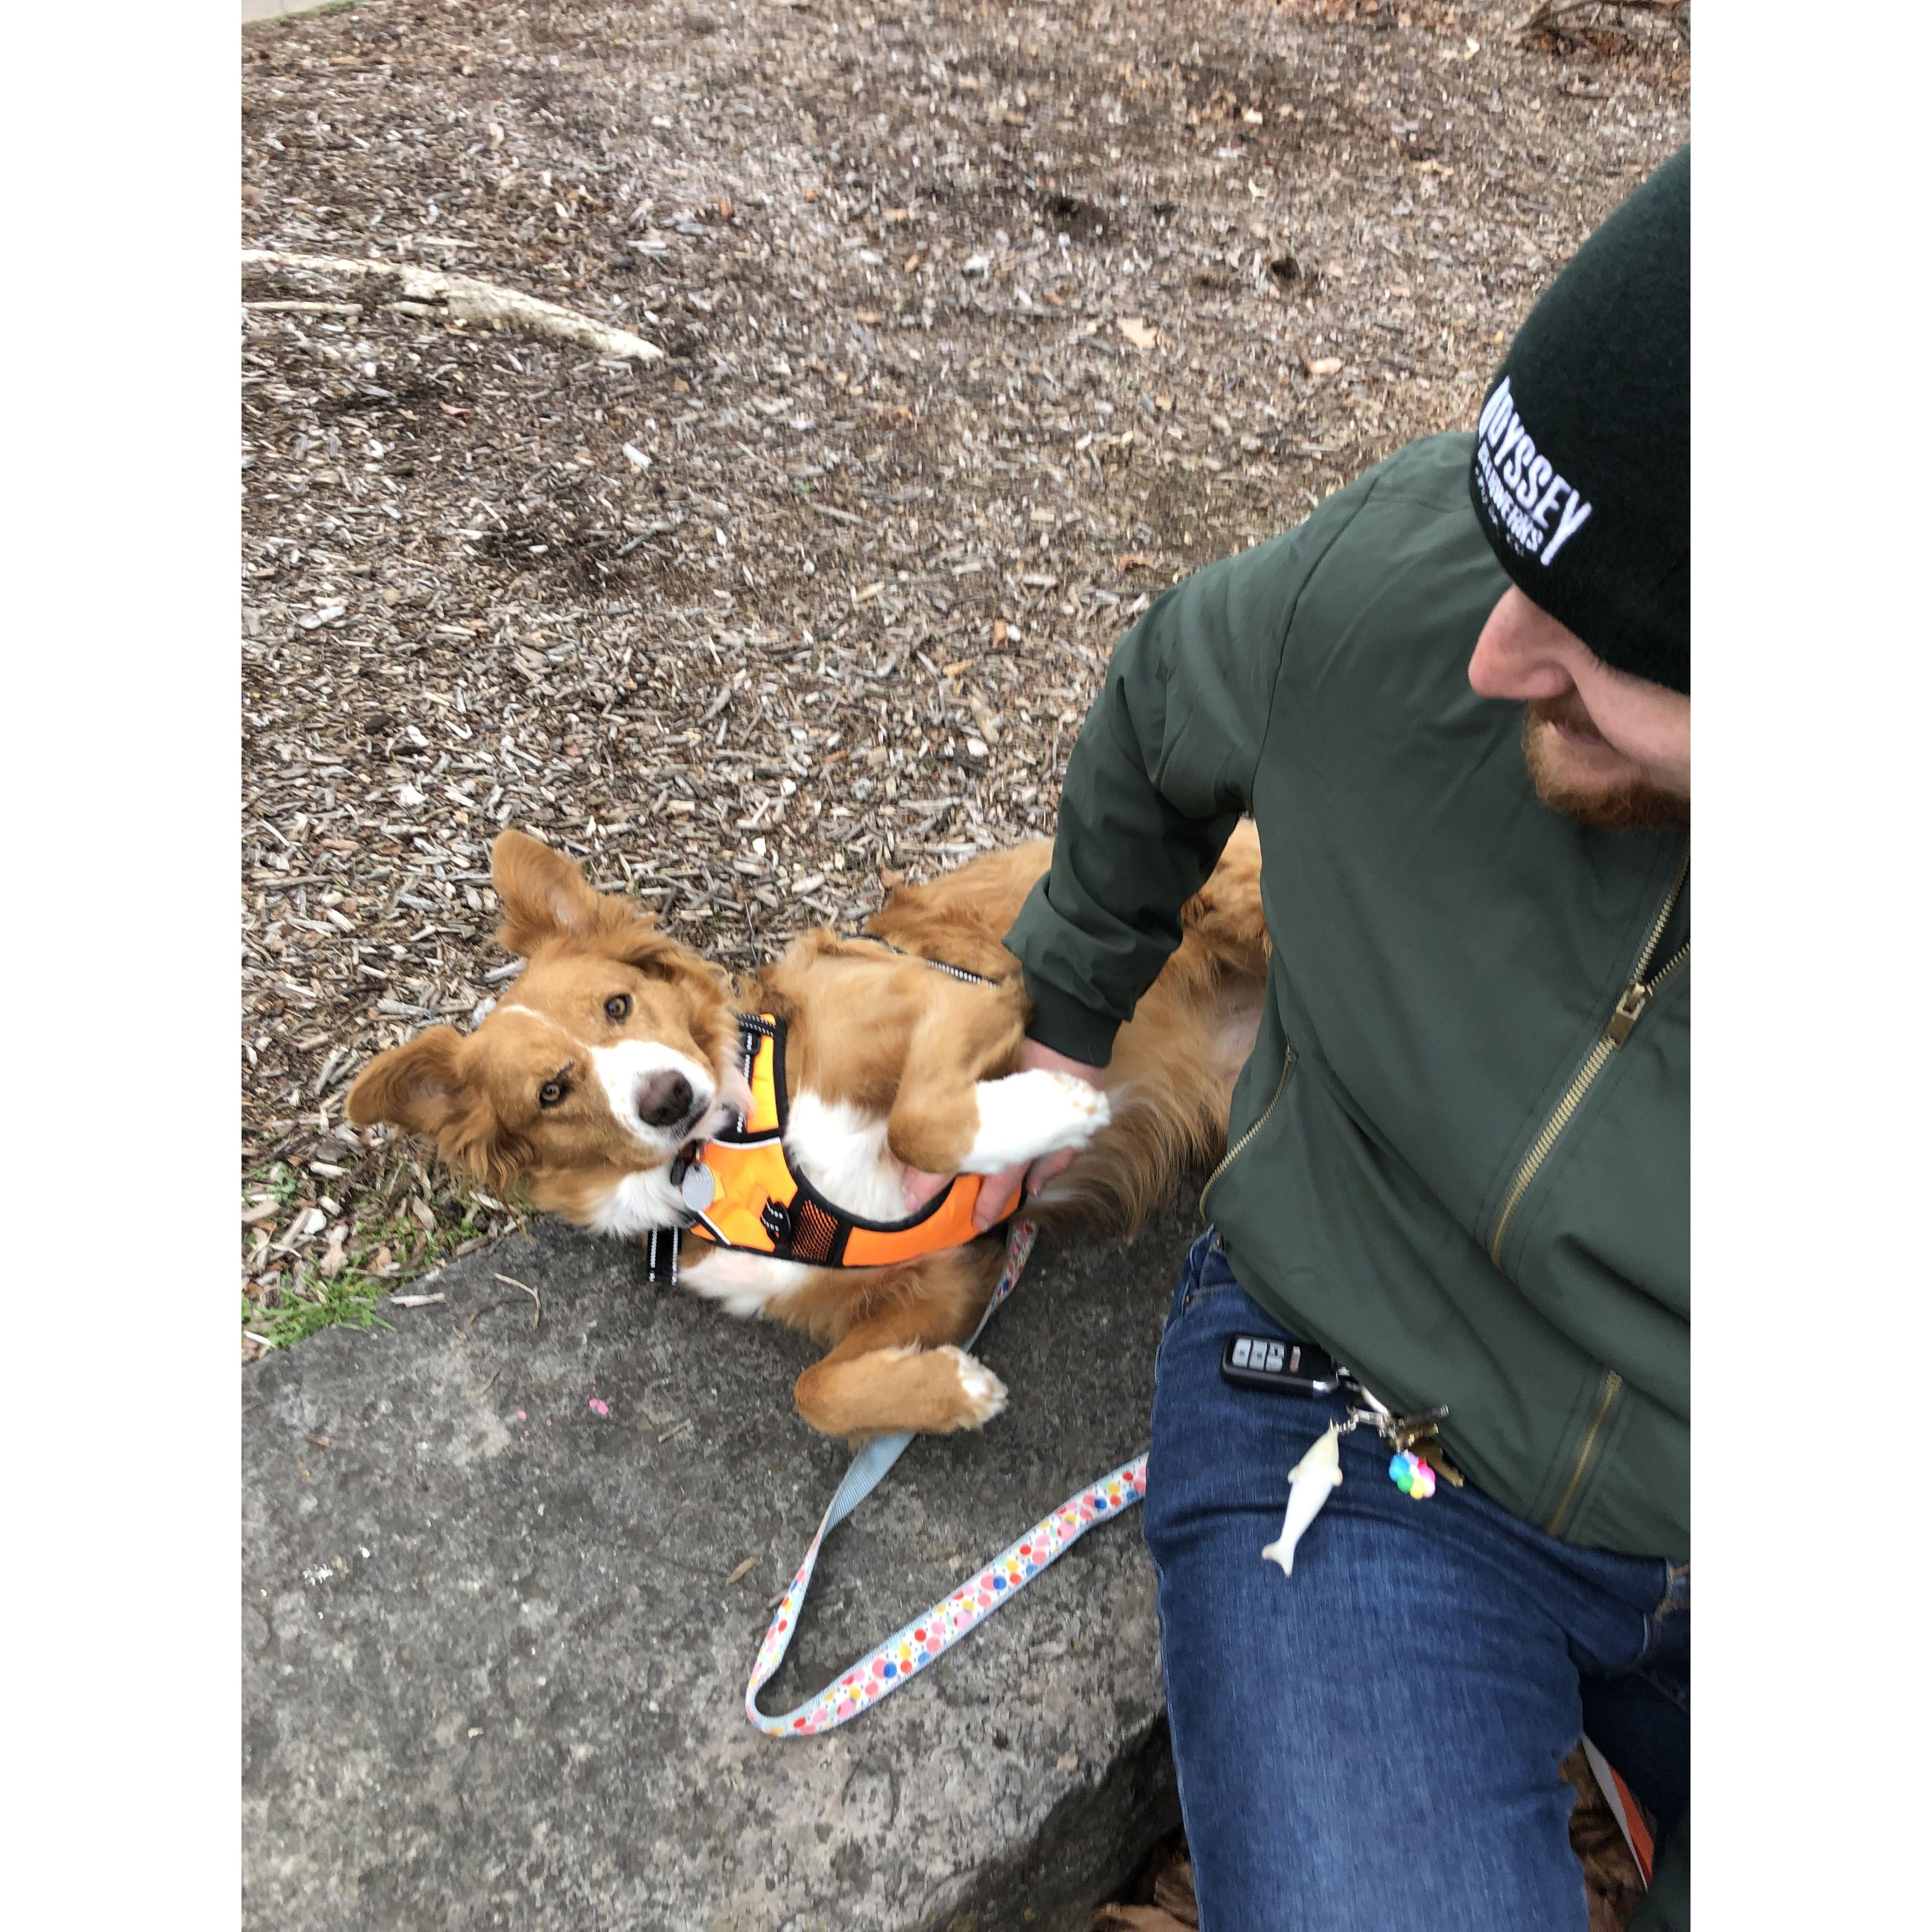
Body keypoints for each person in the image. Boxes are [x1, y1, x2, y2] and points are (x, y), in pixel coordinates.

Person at [987, 149, 1691, 1930]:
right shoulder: (1415, 572)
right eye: (1515, 533)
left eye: (1608, 635)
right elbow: (1163, 698)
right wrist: (1066, 1014)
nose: (1496, 651)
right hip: (1363, 1423)